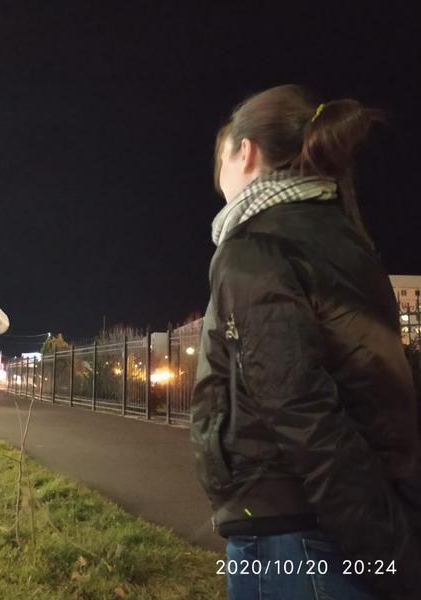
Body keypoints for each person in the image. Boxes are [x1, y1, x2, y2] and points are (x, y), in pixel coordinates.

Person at [192, 85, 421, 600]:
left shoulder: (255, 248)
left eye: (221, 155)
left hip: (293, 536)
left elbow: (297, 405)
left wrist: (380, 550)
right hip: (334, 524)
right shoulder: (344, 241)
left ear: (244, 151)